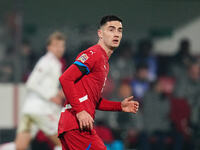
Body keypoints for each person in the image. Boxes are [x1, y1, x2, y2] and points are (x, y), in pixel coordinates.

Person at [58, 15, 139, 150]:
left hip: (75, 125)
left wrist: (120, 106)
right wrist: (80, 112)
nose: (116, 34)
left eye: (120, 30)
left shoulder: (104, 63)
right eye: (111, 29)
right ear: (100, 33)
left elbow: (94, 101)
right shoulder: (93, 54)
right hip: (77, 124)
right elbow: (65, 79)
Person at [0, 32, 66, 150]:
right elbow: (32, 83)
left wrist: (58, 93)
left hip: (30, 111)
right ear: (49, 47)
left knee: (20, 146)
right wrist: (52, 96)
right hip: (41, 110)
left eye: (61, 46)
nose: (59, 49)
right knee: (64, 143)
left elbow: (45, 86)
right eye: (56, 45)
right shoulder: (47, 61)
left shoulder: (54, 63)